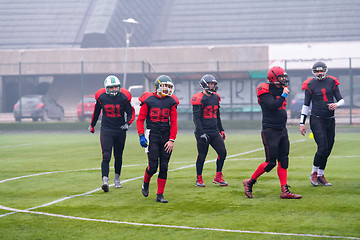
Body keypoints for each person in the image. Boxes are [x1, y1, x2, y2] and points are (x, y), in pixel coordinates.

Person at [243, 66, 302, 199]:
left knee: (284, 160)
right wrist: (284, 94)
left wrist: (283, 92)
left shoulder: (281, 89)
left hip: (282, 129)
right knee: (270, 162)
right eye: (281, 77)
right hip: (270, 130)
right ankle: (250, 182)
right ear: (274, 77)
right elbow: (273, 106)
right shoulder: (264, 89)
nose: (284, 79)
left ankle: (284, 190)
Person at [300, 62, 344, 187]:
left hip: (330, 119)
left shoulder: (332, 81)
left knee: (328, 148)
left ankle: (320, 175)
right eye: (317, 71)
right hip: (317, 119)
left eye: (322, 71)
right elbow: (306, 105)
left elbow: (341, 99)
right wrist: (302, 123)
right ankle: (314, 172)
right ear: (313, 72)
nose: (320, 73)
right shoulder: (310, 84)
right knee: (323, 146)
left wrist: (336, 104)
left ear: (325, 70)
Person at [88, 75, 135, 192]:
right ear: (106, 88)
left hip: (120, 129)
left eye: (116, 87)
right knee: (106, 155)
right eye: (111, 87)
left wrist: (128, 123)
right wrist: (92, 125)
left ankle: (117, 179)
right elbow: (96, 112)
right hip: (106, 129)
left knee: (118, 156)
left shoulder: (124, 97)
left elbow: (131, 112)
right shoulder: (101, 97)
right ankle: (105, 181)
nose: (114, 89)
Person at [137, 75, 179, 203]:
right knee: (153, 167)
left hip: (165, 135)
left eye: (169, 86)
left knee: (164, 166)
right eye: (164, 86)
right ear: (157, 86)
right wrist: (141, 135)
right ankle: (146, 181)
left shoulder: (171, 102)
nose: (166, 89)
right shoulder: (149, 100)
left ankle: (160, 195)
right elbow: (140, 120)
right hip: (152, 135)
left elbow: (174, 122)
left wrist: (171, 140)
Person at [191, 74, 227, 187]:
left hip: (214, 131)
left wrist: (221, 129)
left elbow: (217, 115)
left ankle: (218, 176)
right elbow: (196, 118)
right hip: (203, 131)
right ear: (204, 85)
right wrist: (201, 133)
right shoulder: (199, 98)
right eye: (210, 84)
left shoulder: (216, 97)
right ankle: (199, 178)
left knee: (222, 152)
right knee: (202, 155)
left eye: (213, 84)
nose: (212, 86)